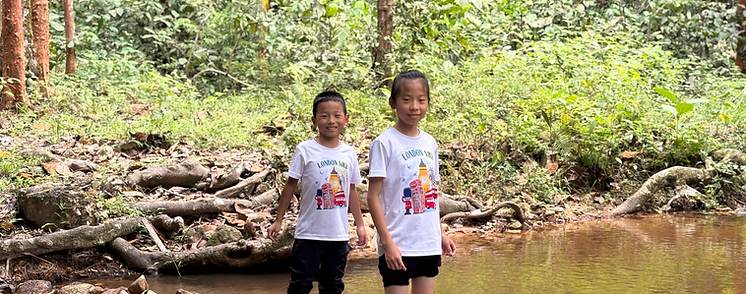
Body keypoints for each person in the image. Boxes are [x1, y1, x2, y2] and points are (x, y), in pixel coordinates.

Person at [268, 91, 367, 294]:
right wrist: (278, 220)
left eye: (337, 115)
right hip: (308, 234)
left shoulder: (348, 153)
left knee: (333, 284)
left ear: (346, 119)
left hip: (338, 235)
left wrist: (360, 225)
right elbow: (289, 186)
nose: (331, 121)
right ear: (314, 120)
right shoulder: (305, 149)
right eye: (324, 115)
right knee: (300, 283)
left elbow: (351, 190)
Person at [367, 70, 456, 294]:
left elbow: (431, 194)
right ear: (393, 103)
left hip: (428, 243)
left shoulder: (429, 142)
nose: (414, 106)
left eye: (421, 100)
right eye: (406, 99)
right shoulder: (384, 143)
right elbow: (373, 196)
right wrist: (386, 243)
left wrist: (441, 233)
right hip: (398, 243)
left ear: (427, 103)